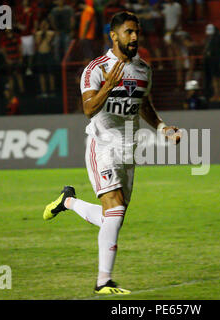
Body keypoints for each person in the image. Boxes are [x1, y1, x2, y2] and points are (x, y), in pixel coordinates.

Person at [42, 11, 181, 295]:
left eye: (136, 32)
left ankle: (68, 202)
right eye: (129, 32)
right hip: (102, 146)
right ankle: (103, 282)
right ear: (113, 35)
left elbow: (144, 105)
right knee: (115, 211)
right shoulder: (96, 68)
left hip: (128, 153)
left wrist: (163, 128)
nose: (134, 37)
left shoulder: (144, 70)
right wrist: (108, 85)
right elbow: (88, 109)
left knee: (112, 218)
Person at [204, 24, 220, 102]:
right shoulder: (209, 38)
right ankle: (216, 94)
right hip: (211, 61)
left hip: (219, 60)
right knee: (214, 78)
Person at [34, 19, 56, 98]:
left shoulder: (50, 33)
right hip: (41, 55)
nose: (43, 26)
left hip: (48, 54)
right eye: (42, 25)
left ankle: (52, 91)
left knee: (50, 74)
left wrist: (46, 34)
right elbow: (37, 43)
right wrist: (42, 34)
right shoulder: (38, 34)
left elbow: (49, 42)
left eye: (45, 24)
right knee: (42, 74)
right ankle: (44, 91)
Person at [0, 29, 24, 94]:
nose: (8, 32)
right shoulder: (4, 39)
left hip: (17, 59)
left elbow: (20, 48)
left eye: (9, 30)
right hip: (9, 61)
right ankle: (12, 92)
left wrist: (20, 58)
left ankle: (22, 91)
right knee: (10, 77)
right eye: (7, 31)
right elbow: (3, 51)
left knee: (19, 76)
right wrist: (7, 59)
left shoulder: (16, 37)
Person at [17, 0, 37, 76]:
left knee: (30, 53)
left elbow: (34, 22)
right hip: (22, 35)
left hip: (29, 35)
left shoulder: (31, 10)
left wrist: (34, 30)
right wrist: (20, 26)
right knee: (23, 53)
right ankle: (23, 68)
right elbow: (18, 22)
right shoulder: (21, 11)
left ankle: (29, 68)